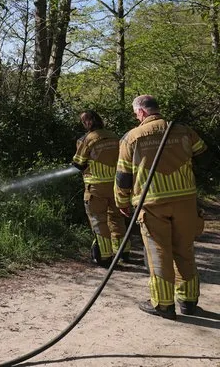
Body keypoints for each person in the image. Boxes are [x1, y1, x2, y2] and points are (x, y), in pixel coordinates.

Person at [115, 95, 207, 320]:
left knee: (159, 253)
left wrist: (122, 202)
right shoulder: (183, 130)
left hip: (152, 204)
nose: (136, 117)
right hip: (185, 201)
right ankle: (188, 302)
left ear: (142, 113)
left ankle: (163, 304)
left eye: (136, 113)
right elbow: (203, 154)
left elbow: (123, 176)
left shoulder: (132, 137)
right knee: (184, 250)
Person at [72, 110, 129, 268]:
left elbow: (79, 163)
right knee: (117, 219)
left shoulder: (87, 139)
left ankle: (104, 257)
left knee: (99, 221)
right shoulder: (114, 136)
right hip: (116, 186)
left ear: (87, 122)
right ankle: (123, 252)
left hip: (96, 188)